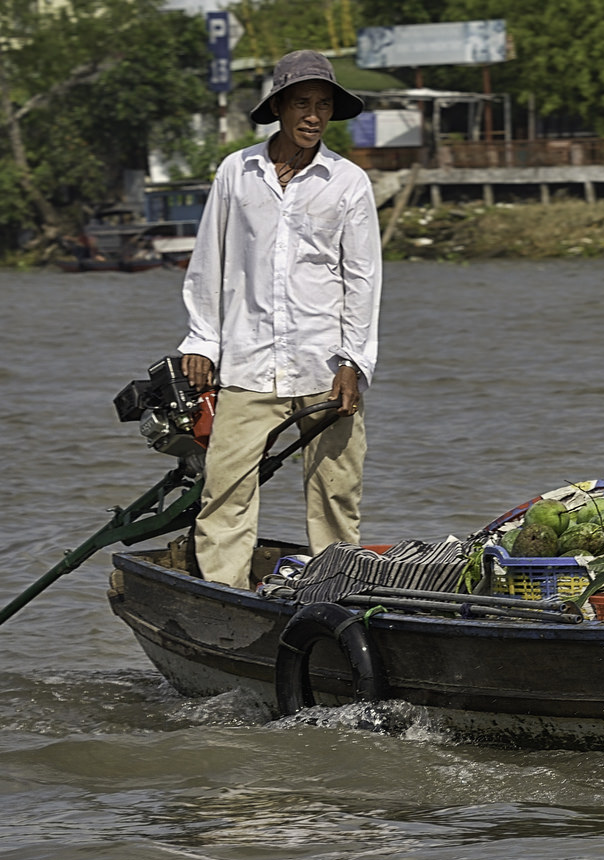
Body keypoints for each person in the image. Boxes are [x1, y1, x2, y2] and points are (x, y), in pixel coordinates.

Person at [178, 49, 382, 589]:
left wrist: (354, 362)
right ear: (279, 109)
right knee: (225, 491)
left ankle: (334, 596)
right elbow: (209, 262)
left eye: (322, 105)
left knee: (335, 495)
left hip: (325, 367)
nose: (313, 116)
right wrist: (202, 340)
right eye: (302, 104)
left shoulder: (348, 182)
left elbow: (362, 280)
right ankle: (224, 597)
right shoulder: (237, 173)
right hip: (249, 364)